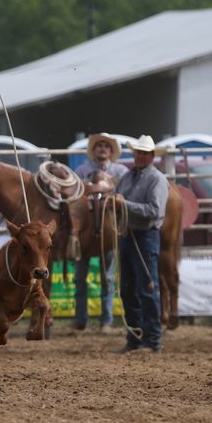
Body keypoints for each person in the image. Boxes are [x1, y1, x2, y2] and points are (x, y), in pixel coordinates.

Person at [115, 135, 169, 353]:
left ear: (152, 156)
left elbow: (154, 211)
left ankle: (152, 340)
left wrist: (124, 204)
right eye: (138, 152)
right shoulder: (127, 177)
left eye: (144, 153)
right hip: (127, 236)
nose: (140, 156)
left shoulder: (157, 179)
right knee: (128, 290)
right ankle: (135, 338)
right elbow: (117, 197)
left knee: (147, 288)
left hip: (145, 237)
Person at [73, 133, 129, 333]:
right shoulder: (81, 171)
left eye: (106, 146)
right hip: (85, 231)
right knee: (80, 277)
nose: (103, 149)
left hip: (110, 230)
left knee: (108, 277)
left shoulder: (121, 171)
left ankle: (106, 320)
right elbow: (75, 195)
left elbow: (125, 194)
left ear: (111, 151)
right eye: (99, 146)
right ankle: (81, 320)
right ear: (94, 150)